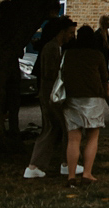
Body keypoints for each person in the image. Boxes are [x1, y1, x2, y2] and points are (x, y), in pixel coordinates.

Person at [25, 17, 78, 179]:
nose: (71, 36)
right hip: (51, 95)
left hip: (50, 94)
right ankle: (38, 165)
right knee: (55, 129)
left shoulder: (54, 47)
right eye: (70, 32)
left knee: (56, 129)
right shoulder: (52, 48)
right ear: (61, 32)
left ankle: (62, 163)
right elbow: (50, 73)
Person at [61, 25, 109, 186]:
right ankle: (87, 173)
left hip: (72, 97)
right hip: (93, 98)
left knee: (73, 139)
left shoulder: (68, 54)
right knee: (92, 137)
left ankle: (71, 176)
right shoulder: (96, 55)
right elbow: (105, 79)